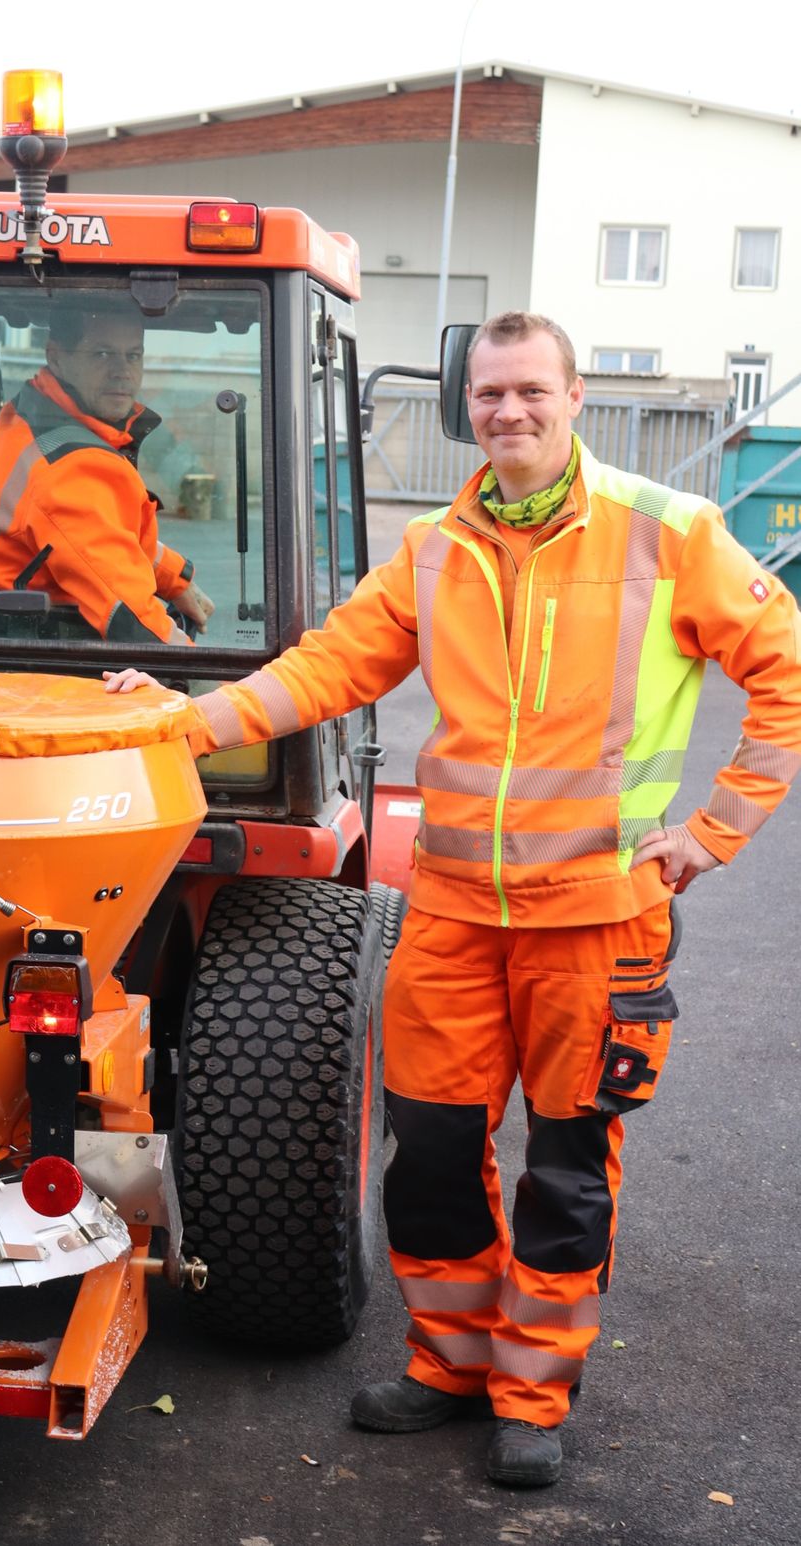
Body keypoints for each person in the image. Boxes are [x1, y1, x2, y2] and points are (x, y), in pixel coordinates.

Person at [106, 311, 801, 1488]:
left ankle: (531, 1394)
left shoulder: (669, 532)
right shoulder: (437, 547)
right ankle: (448, 1363)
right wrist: (182, 717)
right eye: (488, 395)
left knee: (569, 1164)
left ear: (575, 397)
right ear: (464, 405)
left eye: (531, 390)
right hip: (453, 918)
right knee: (427, 1155)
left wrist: (715, 830)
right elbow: (328, 665)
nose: (509, 413)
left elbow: (785, 669)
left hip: (596, 920)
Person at [0, 302, 214, 644]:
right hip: (15, 661)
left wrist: (176, 579)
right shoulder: (70, 465)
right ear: (56, 357)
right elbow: (138, 626)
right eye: (102, 354)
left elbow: (104, 533)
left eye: (133, 356)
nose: (122, 371)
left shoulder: (33, 413)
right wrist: (200, 674)